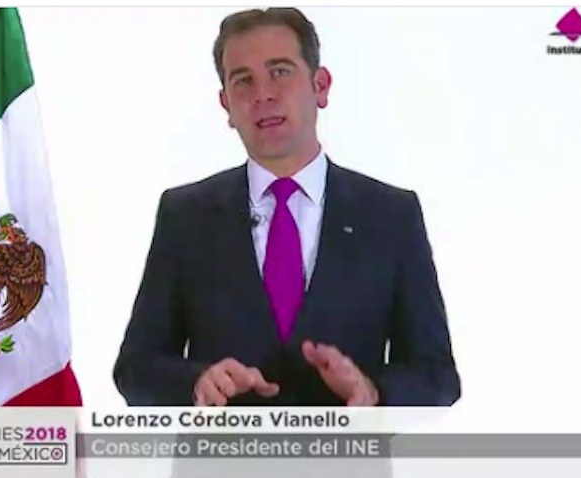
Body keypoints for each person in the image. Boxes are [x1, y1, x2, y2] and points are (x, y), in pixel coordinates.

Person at [113, 7, 461, 408]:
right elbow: (135, 368)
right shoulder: (184, 216)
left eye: (280, 71)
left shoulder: (391, 216)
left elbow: (437, 376)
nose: (262, 94)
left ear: (320, 86)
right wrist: (197, 383)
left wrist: (372, 391)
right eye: (243, 80)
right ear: (226, 104)